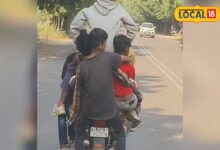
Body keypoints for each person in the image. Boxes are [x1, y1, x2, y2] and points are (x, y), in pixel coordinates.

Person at [68, 28, 131, 150]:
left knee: (79, 133)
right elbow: (125, 63)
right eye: (105, 43)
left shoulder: (82, 66)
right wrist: (128, 81)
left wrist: (73, 117)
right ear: (100, 45)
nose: (106, 46)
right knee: (120, 134)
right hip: (110, 112)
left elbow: (77, 95)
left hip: (88, 112)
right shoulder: (109, 58)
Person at [70, 0, 137, 63]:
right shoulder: (120, 10)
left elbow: (74, 28)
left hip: (91, 55)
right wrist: (122, 45)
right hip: (112, 56)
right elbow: (133, 28)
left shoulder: (88, 10)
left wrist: (83, 45)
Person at [56, 30, 88, 150]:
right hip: (92, 98)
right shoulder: (97, 59)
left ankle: (64, 144)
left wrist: (61, 101)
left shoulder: (72, 58)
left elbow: (64, 77)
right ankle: (74, 138)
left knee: (61, 112)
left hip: (73, 96)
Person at [113, 35, 143, 132]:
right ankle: (135, 116)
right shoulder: (130, 67)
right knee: (139, 96)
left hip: (112, 102)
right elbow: (131, 83)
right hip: (129, 102)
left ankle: (126, 118)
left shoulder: (108, 64)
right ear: (126, 49)